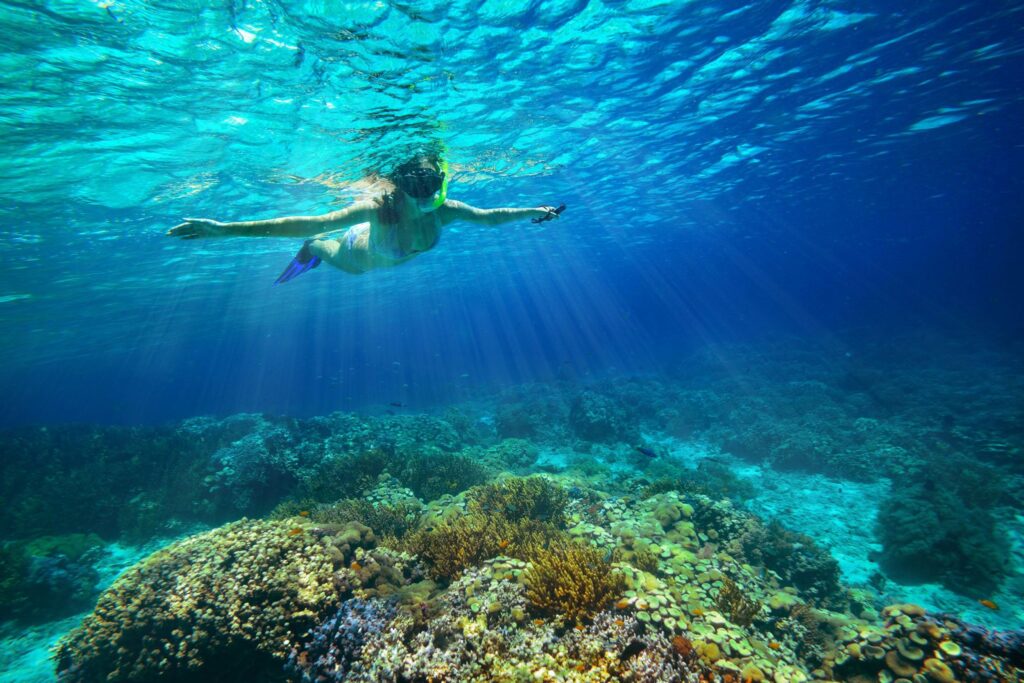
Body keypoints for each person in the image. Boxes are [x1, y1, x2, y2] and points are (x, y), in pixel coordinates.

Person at [167, 154, 565, 283]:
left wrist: (534, 210)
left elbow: (490, 217)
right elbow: (308, 222)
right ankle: (313, 254)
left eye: (433, 184)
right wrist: (224, 230)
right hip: (357, 251)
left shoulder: (448, 209)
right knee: (326, 248)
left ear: (441, 181)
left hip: (390, 254)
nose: (426, 195)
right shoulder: (378, 210)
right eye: (416, 185)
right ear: (401, 186)